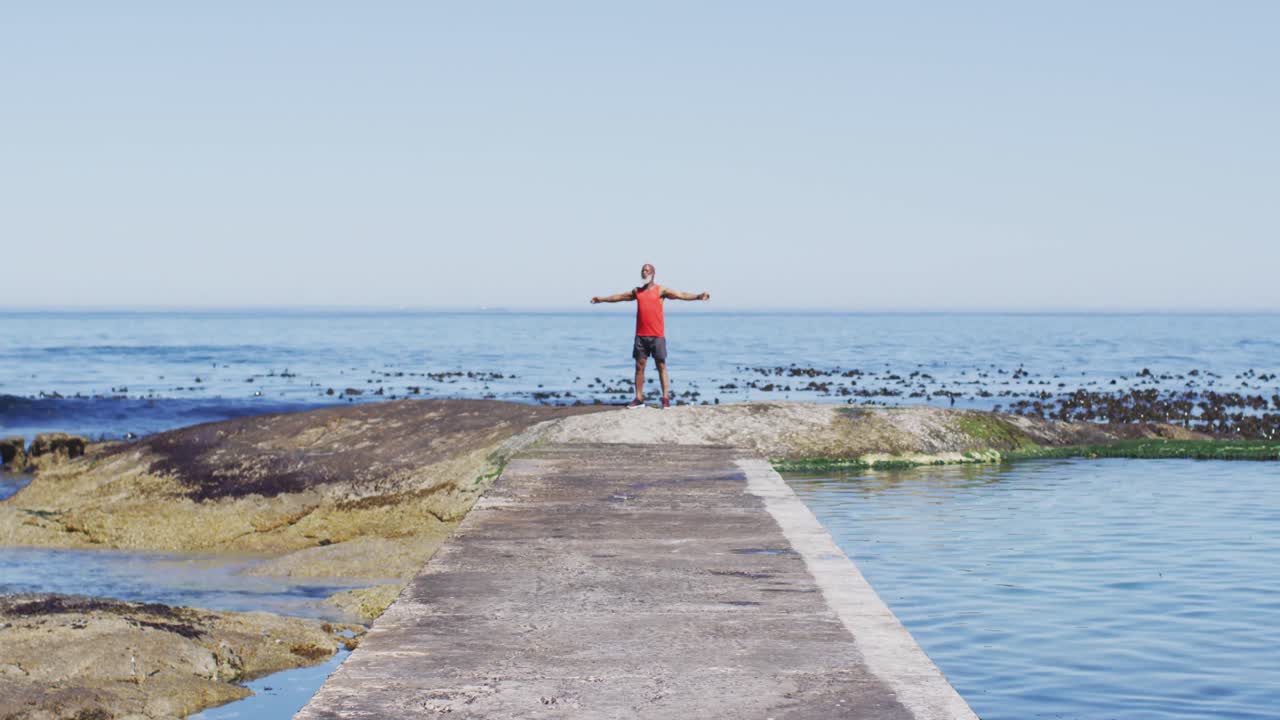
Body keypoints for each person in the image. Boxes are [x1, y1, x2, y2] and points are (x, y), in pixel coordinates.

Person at [590, 263, 710, 409]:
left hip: (657, 336)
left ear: (653, 273)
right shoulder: (637, 291)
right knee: (639, 367)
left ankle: (665, 399)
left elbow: (681, 295)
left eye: (646, 271)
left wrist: (698, 296)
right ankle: (639, 399)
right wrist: (601, 299)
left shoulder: (661, 290)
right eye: (642, 271)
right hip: (641, 336)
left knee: (661, 366)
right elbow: (620, 297)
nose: (644, 273)